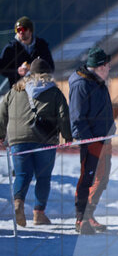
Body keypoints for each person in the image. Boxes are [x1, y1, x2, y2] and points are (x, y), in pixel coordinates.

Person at [0, 58, 71, 227]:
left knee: (22, 174)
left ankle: (18, 203)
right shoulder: (54, 91)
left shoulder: (14, 90)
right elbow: (63, 115)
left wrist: (1, 134)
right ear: (48, 73)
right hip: (44, 140)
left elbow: (2, 112)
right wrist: (67, 136)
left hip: (18, 139)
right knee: (43, 177)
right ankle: (39, 214)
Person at [68, 48, 116, 234]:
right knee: (88, 179)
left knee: (102, 179)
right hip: (92, 141)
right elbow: (77, 117)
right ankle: (81, 218)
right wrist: (89, 140)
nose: (109, 67)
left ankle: (89, 214)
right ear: (99, 67)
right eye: (106, 65)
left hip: (105, 138)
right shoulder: (82, 84)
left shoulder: (99, 81)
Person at [0, 17, 54, 90]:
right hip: (18, 89)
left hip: (39, 88)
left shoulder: (41, 45)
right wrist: (17, 71)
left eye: (23, 29)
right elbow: (3, 69)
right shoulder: (10, 48)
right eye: (18, 30)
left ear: (30, 31)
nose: (21, 32)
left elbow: (51, 67)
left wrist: (35, 70)